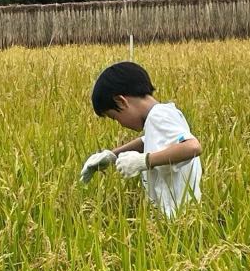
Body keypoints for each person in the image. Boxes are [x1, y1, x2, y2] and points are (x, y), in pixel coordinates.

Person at [80, 61, 202, 217]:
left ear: (121, 101)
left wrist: (145, 161)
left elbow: (192, 147)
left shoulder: (159, 116)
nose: (121, 124)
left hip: (177, 216)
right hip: (174, 216)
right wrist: (111, 155)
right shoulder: (159, 116)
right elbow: (147, 140)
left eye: (115, 118)